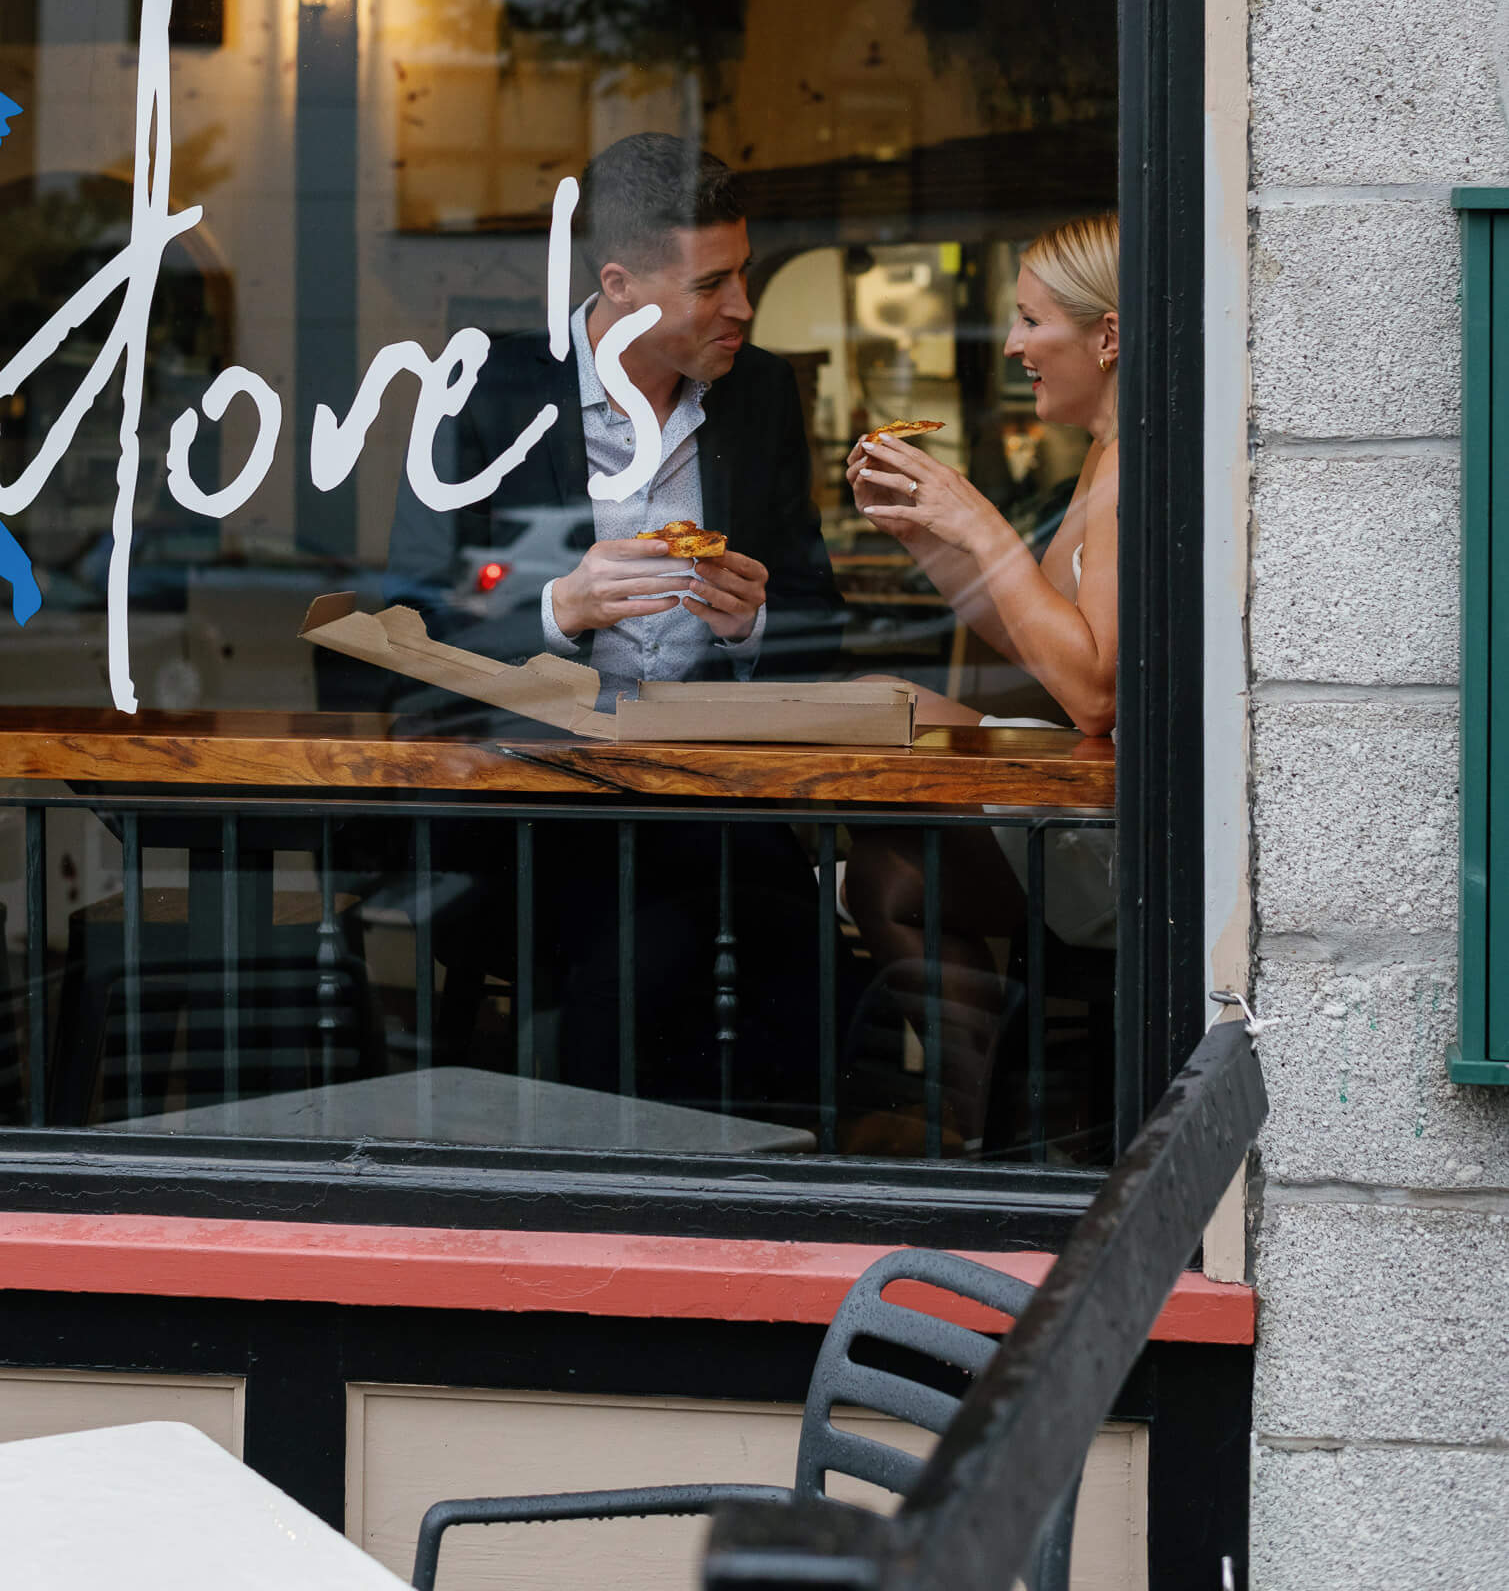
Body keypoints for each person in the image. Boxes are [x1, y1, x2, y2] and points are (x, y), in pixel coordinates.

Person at [388, 132, 845, 1118]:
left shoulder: (760, 394)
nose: (743, 307)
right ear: (621, 284)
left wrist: (750, 626)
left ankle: (782, 1217)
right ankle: (614, 1214)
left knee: (811, 968)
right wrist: (556, 607)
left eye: (745, 274)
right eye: (712, 283)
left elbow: (820, 617)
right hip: (535, 803)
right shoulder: (480, 392)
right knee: (639, 965)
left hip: (717, 800)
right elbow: (405, 627)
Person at [840, 213, 1119, 1148]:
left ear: (1108, 337)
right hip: (1094, 800)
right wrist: (932, 537)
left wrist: (981, 524)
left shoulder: (1137, 466)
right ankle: (999, 1116)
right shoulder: (1106, 452)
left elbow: (1089, 694)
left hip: (1136, 838)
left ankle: (990, 1121)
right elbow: (1035, 638)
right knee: (885, 769)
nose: (1012, 346)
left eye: (1032, 321)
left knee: (887, 875)